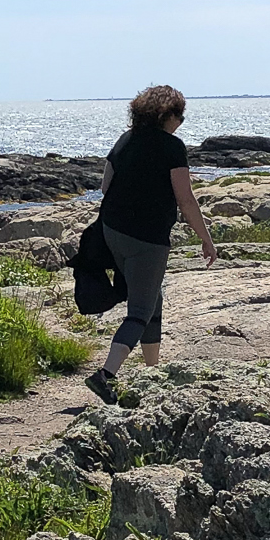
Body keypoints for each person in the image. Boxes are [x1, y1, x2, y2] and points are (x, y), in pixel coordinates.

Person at [84, 84, 216, 403]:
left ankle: (152, 372)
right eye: (179, 116)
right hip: (148, 239)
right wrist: (206, 239)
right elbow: (185, 200)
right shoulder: (172, 147)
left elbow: (105, 187)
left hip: (113, 231)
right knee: (140, 310)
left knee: (152, 297)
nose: (180, 122)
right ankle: (105, 376)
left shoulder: (125, 140)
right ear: (167, 115)